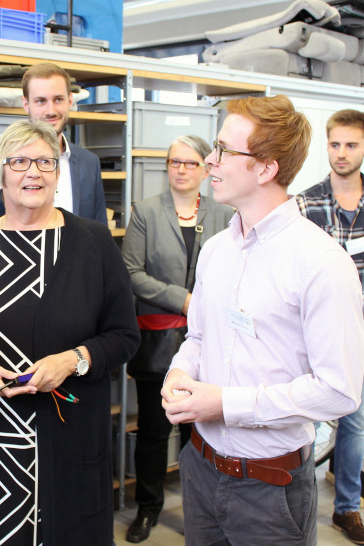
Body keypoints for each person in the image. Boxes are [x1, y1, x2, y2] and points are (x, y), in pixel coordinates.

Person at [161, 95, 364, 545]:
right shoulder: (216, 250)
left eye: (224, 151)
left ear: (266, 169)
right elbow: (199, 336)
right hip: (199, 467)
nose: (209, 161)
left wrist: (226, 404)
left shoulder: (321, 262)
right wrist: (180, 370)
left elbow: (339, 391)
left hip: (269, 489)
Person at [0, 119, 140, 545]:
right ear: (0, 174)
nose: (34, 172)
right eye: (20, 161)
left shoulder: (94, 244)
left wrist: (72, 360)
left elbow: (124, 335)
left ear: (58, 174)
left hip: (69, 438)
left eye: (45, 162)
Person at [121, 135, 234, 543]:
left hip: (214, 342)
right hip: (159, 343)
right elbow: (132, 273)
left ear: (206, 167)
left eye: (190, 163)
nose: (182, 169)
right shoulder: (146, 212)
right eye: (174, 162)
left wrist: (204, 305)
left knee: (201, 436)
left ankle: (200, 511)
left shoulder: (225, 213)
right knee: (153, 431)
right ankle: (147, 509)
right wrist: (184, 300)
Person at [296, 108, 364, 544]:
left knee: (355, 421)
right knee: (305, 418)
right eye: (335, 144)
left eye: (352, 145)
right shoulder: (305, 202)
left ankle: (348, 508)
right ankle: (298, 499)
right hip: (314, 330)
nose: (341, 153)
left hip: (360, 331)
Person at [0, 62, 107, 225]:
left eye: (58, 99)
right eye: (41, 101)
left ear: (70, 100)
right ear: (26, 104)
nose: (50, 110)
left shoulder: (89, 162)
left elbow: (99, 232)